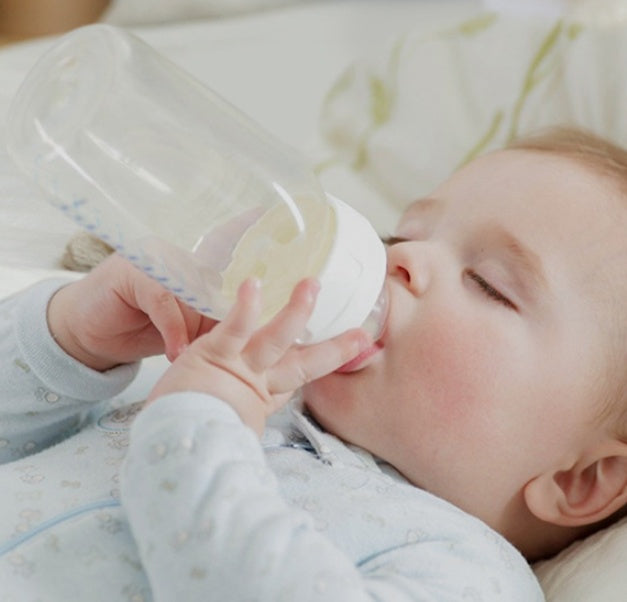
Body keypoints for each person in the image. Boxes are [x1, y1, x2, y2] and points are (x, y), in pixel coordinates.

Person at [1, 126, 625, 600]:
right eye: (405, 233)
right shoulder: (225, 375)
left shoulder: (463, 571)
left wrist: (195, 438)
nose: (404, 260)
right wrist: (69, 340)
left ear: (580, 481)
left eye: (489, 283)